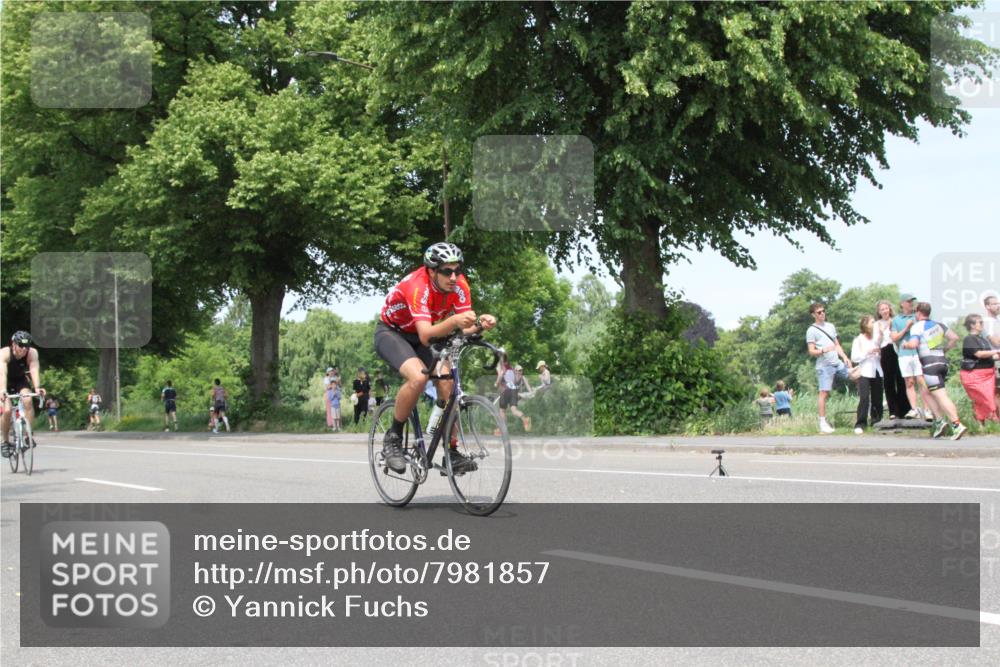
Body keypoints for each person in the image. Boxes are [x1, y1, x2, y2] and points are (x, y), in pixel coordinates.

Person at [374, 242, 497, 474]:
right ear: (432, 271)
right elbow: (426, 334)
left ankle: (452, 452)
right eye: (446, 271)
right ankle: (393, 439)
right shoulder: (418, 286)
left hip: (426, 335)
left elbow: (462, 328)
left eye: (457, 270)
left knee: (448, 384)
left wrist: (480, 324)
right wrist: (453, 322)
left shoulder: (460, 286)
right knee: (418, 379)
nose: (454, 277)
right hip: (393, 333)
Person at [903, 302, 967, 440]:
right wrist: (944, 350)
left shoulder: (917, 326)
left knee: (940, 395)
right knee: (925, 392)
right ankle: (939, 421)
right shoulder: (939, 325)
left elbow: (913, 344)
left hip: (930, 365)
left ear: (918, 313)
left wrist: (906, 344)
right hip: (942, 363)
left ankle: (957, 425)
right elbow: (954, 337)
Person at [805, 302, 852, 434]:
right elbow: (811, 351)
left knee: (856, 376)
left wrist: (845, 357)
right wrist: (823, 350)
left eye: (823, 311)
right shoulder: (811, 330)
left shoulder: (830, 326)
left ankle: (870, 404)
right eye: (819, 312)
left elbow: (837, 344)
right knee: (824, 393)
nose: (822, 314)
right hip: (824, 366)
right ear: (813, 315)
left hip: (837, 362)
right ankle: (822, 423)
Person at [1, 331, 45, 457]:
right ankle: (4, 441)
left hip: (20, 380)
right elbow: (2, 373)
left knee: (27, 400)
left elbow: (34, 369)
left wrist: (37, 388)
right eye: (21, 346)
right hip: (4, 382)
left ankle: (28, 437)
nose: (24, 349)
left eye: (27, 346)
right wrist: (2, 391)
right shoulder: (4, 353)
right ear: (13, 344)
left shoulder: (32, 353)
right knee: (7, 410)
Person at [891, 294, 932, 420]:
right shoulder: (897, 320)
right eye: (908, 301)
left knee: (922, 381)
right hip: (904, 355)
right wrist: (906, 328)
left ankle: (927, 409)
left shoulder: (918, 316)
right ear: (902, 303)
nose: (911, 304)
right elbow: (895, 338)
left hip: (919, 353)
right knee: (909, 382)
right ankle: (914, 409)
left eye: (912, 301)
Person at [959, 313, 1000, 426]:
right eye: (980, 322)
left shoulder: (983, 339)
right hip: (974, 375)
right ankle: (994, 423)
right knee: (986, 399)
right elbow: (979, 354)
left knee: (983, 400)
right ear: (972, 325)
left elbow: (990, 356)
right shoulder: (969, 339)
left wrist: (997, 355)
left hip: (988, 374)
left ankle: (981, 425)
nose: (982, 325)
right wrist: (996, 352)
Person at [875, 299, 910, 419]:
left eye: (886, 308)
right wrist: (880, 333)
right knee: (889, 381)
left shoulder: (896, 320)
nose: (884, 311)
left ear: (890, 309)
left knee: (901, 379)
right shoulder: (876, 324)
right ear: (879, 312)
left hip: (897, 349)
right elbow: (876, 343)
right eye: (882, 309)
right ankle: (893, 411)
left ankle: (905, 409)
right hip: (885, 350)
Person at [850, 315, 884, 434]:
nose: (874, 324)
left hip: (877, 370)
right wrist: (867, 353)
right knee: (864, 398)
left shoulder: (876, 339)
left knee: (878, 397)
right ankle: (860, 423)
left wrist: (879, 353)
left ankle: (876, 421)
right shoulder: (858, 339)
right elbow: (854, 357)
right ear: (865, 325)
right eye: (872, 322)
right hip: (865, 371)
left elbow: (880, 355)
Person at [496, 354, 531, 433]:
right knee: (514, 411)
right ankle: (525, 419)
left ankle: (502, 430)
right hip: (513, 391)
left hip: (505, 391)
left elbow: (501, 375)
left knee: (502, 411)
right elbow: (513, 381)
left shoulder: (500, 365)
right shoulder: (510, 367)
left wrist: (496, 383)